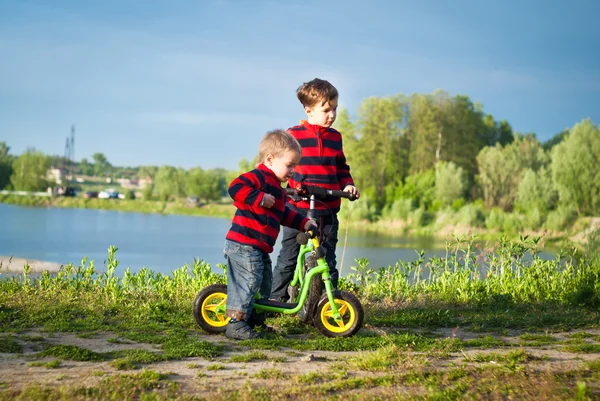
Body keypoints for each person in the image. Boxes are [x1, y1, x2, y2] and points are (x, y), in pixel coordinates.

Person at [271, 78, 360, 302]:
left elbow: (341, 168)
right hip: (297, 210)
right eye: (326, 110)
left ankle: (327, 303)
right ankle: (274, 300)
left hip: (327, 209)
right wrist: (287, 185)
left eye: (335, 109)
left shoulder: (335, 138)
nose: (332, 115)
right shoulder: (293, 135)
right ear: (308, 110)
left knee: (327, 259)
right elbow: (284, 166)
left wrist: (347, 184)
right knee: (289, 256)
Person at [224, 129, 317, 340]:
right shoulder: (258, 177)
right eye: (289, 165)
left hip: (258, 247)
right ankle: (236, 323)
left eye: (295, 166)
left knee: (264, 283)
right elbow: (235, 187)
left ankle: (254, 320)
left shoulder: (277, 187)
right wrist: (258, 197)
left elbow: (284, 214)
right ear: (270, 159)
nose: (293, 170)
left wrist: (304, 222)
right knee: (250, 279)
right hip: (243, 243)